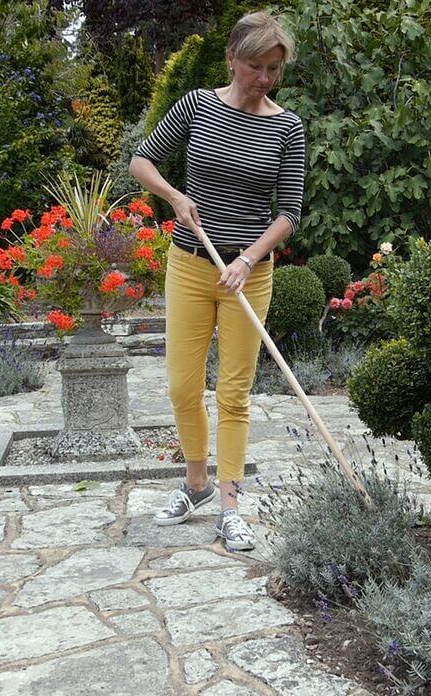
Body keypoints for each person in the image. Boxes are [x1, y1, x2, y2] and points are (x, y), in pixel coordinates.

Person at [129, 11, 305, 551]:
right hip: (189, 264)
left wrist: (248, 259)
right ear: (232, 59)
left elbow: (290, 212)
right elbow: (141, 162)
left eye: (273, 68)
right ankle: (196, 483)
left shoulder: (288, 127)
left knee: (233, 392)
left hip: (247, 276)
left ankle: (230, 506)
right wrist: (174, 196)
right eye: (256, 66)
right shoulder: (196, 106)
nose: (265, 78)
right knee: (182, 387)